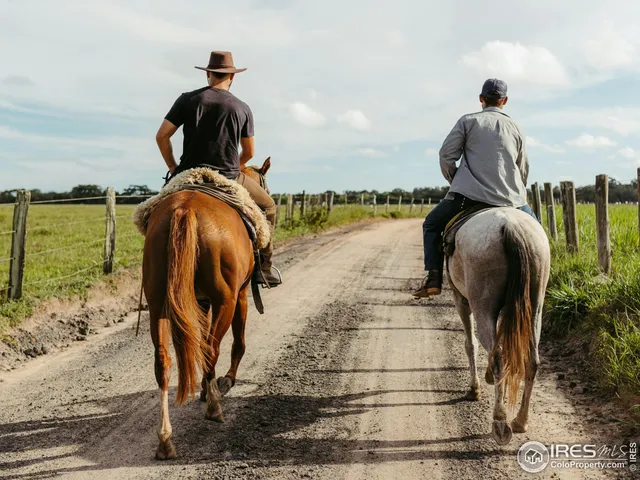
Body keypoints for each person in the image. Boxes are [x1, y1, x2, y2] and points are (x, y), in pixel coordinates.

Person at [155, 51, 281, 286]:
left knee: (149, 214)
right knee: (269, 207)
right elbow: (250, 152)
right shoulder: (242, 108)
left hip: (187, 174)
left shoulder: (187, 99)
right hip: (228, 176)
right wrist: (235, 165)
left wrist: (173, 167)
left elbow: (162, 136)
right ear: (232, 77)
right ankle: (264, 266)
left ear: (208, 74)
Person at [412, 78, 537, 298]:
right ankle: (541, 282)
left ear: (481, 99)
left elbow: (446, 155)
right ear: (504, 100)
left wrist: (456, 181)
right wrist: (516, 190)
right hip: (512, 199)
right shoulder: (516, 127)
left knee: (431, 224)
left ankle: (433, 278)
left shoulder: (468, 121)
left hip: (467, 197)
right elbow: (523, 167)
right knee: (537, 235)